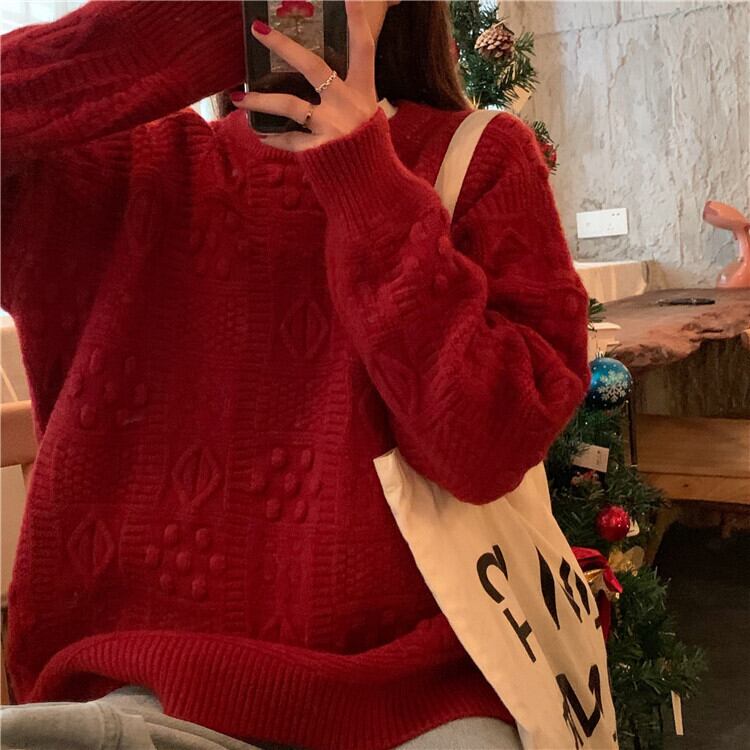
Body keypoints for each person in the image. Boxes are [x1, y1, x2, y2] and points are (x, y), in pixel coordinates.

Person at [0, 1, 591, 748]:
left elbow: (484, 450)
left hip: (415, 698)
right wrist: (202, 26)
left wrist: (366, 181)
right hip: (144, 691)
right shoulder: (132, 167)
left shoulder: (480, 157)